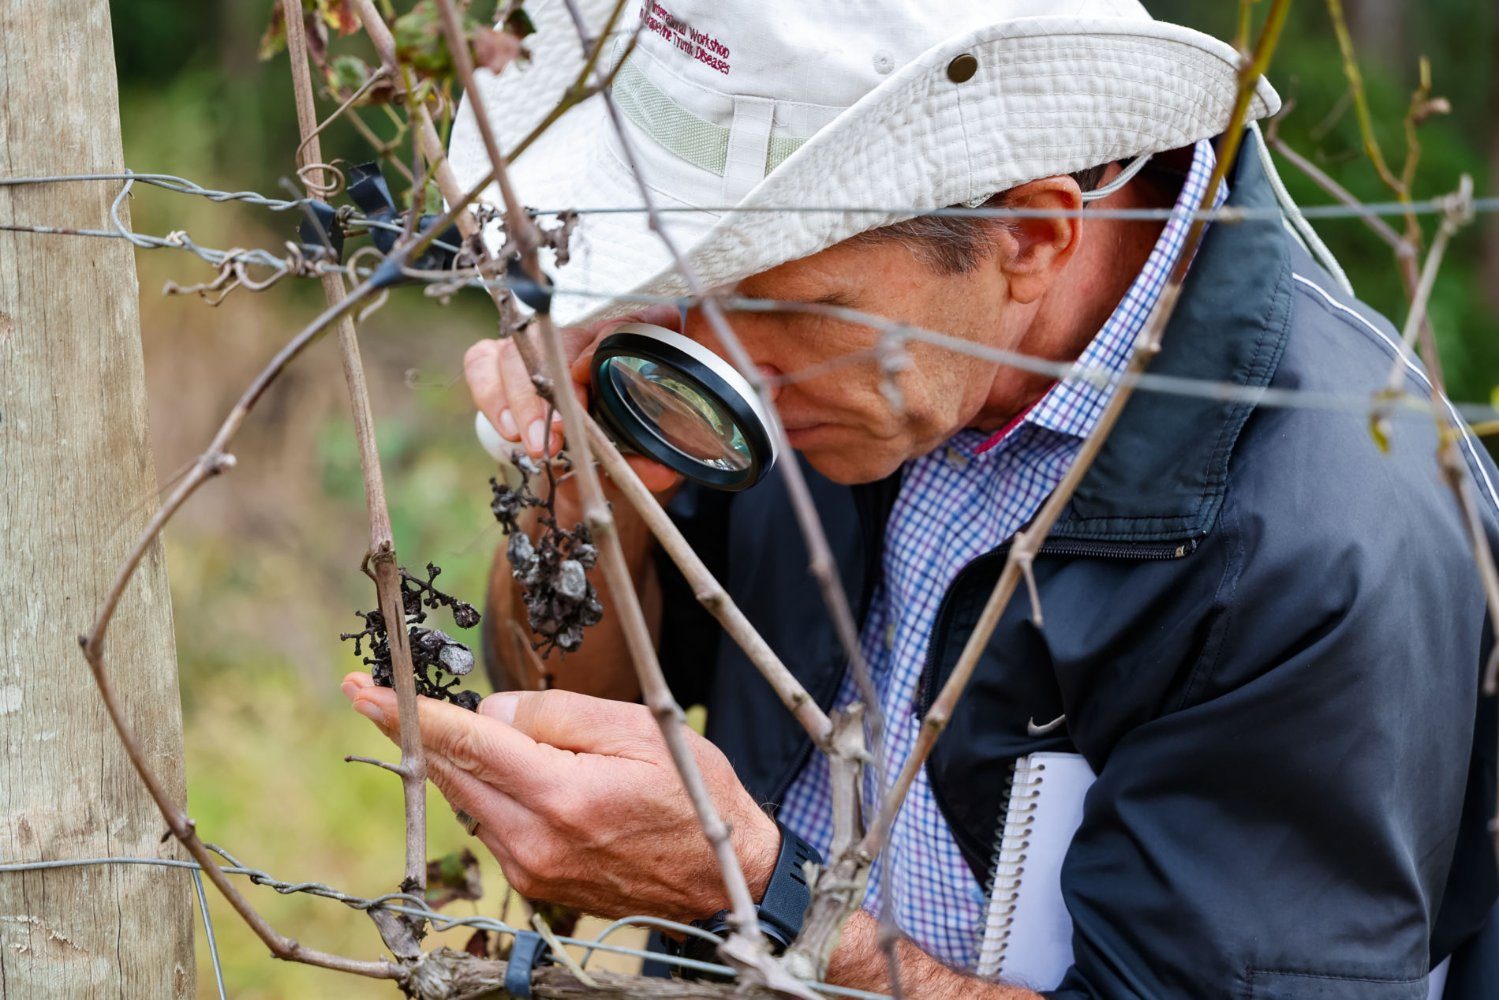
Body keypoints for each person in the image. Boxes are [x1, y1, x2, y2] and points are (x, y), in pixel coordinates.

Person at [342, 1, 1499, 996]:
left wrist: (758, 892)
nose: (722, 366)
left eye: (782, 305)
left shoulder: (1320, 542)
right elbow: (564, 682)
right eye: (689, 282)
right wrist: (571, 490)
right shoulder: (823, 353)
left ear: (1033, 236)